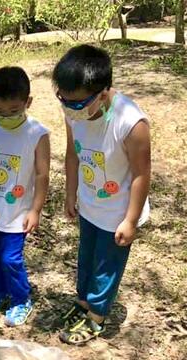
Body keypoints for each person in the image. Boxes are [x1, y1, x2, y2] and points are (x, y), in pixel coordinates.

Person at [53, 45, 151, 345]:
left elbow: (141, 175)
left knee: (106, 265)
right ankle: (83, 301)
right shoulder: (75, 111)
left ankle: (96, 315)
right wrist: (70, 194)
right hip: (90, 205)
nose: (70, 109)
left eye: (78, 104)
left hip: (119, 212)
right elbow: (72, 155)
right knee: (86, 257)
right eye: (64, 100)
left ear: (104, 92)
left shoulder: (132, 124)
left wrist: (131, 220)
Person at [0, 67, 51, 327]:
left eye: (14, 111)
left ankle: (21, 299)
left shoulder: (37, 133)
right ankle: (0, 291)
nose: (6, 117)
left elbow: (42, 175)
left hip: (18, 212)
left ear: (28, 102)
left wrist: (36, 210)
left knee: (10, 259)